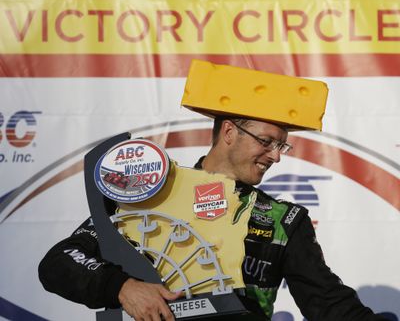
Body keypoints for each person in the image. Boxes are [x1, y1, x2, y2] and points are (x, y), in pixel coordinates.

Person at [39, 114, 388, 321]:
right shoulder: (148, 195)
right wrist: (122, 288)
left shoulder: (282, 219)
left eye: (282, 146)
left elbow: (328, 305)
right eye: (267, 141)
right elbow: (59, 262)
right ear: (230, 132)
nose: (275, 157)